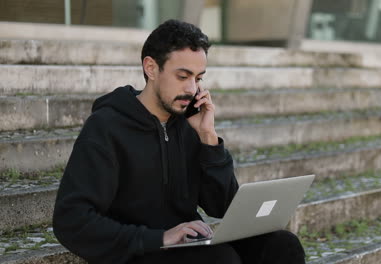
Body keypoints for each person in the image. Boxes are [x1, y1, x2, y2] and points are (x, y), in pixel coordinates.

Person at [53, 19, 305, 264]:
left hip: (188, 245)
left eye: (198, 78)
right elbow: (71, 220)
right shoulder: (106, 127)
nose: (192, 89)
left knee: (282, 245)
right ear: (151, 68)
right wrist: (160, 237)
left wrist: (208, 139)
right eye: (183, 76)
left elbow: (222, 206)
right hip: (137, 249)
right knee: (219, 260)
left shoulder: (189, 125)